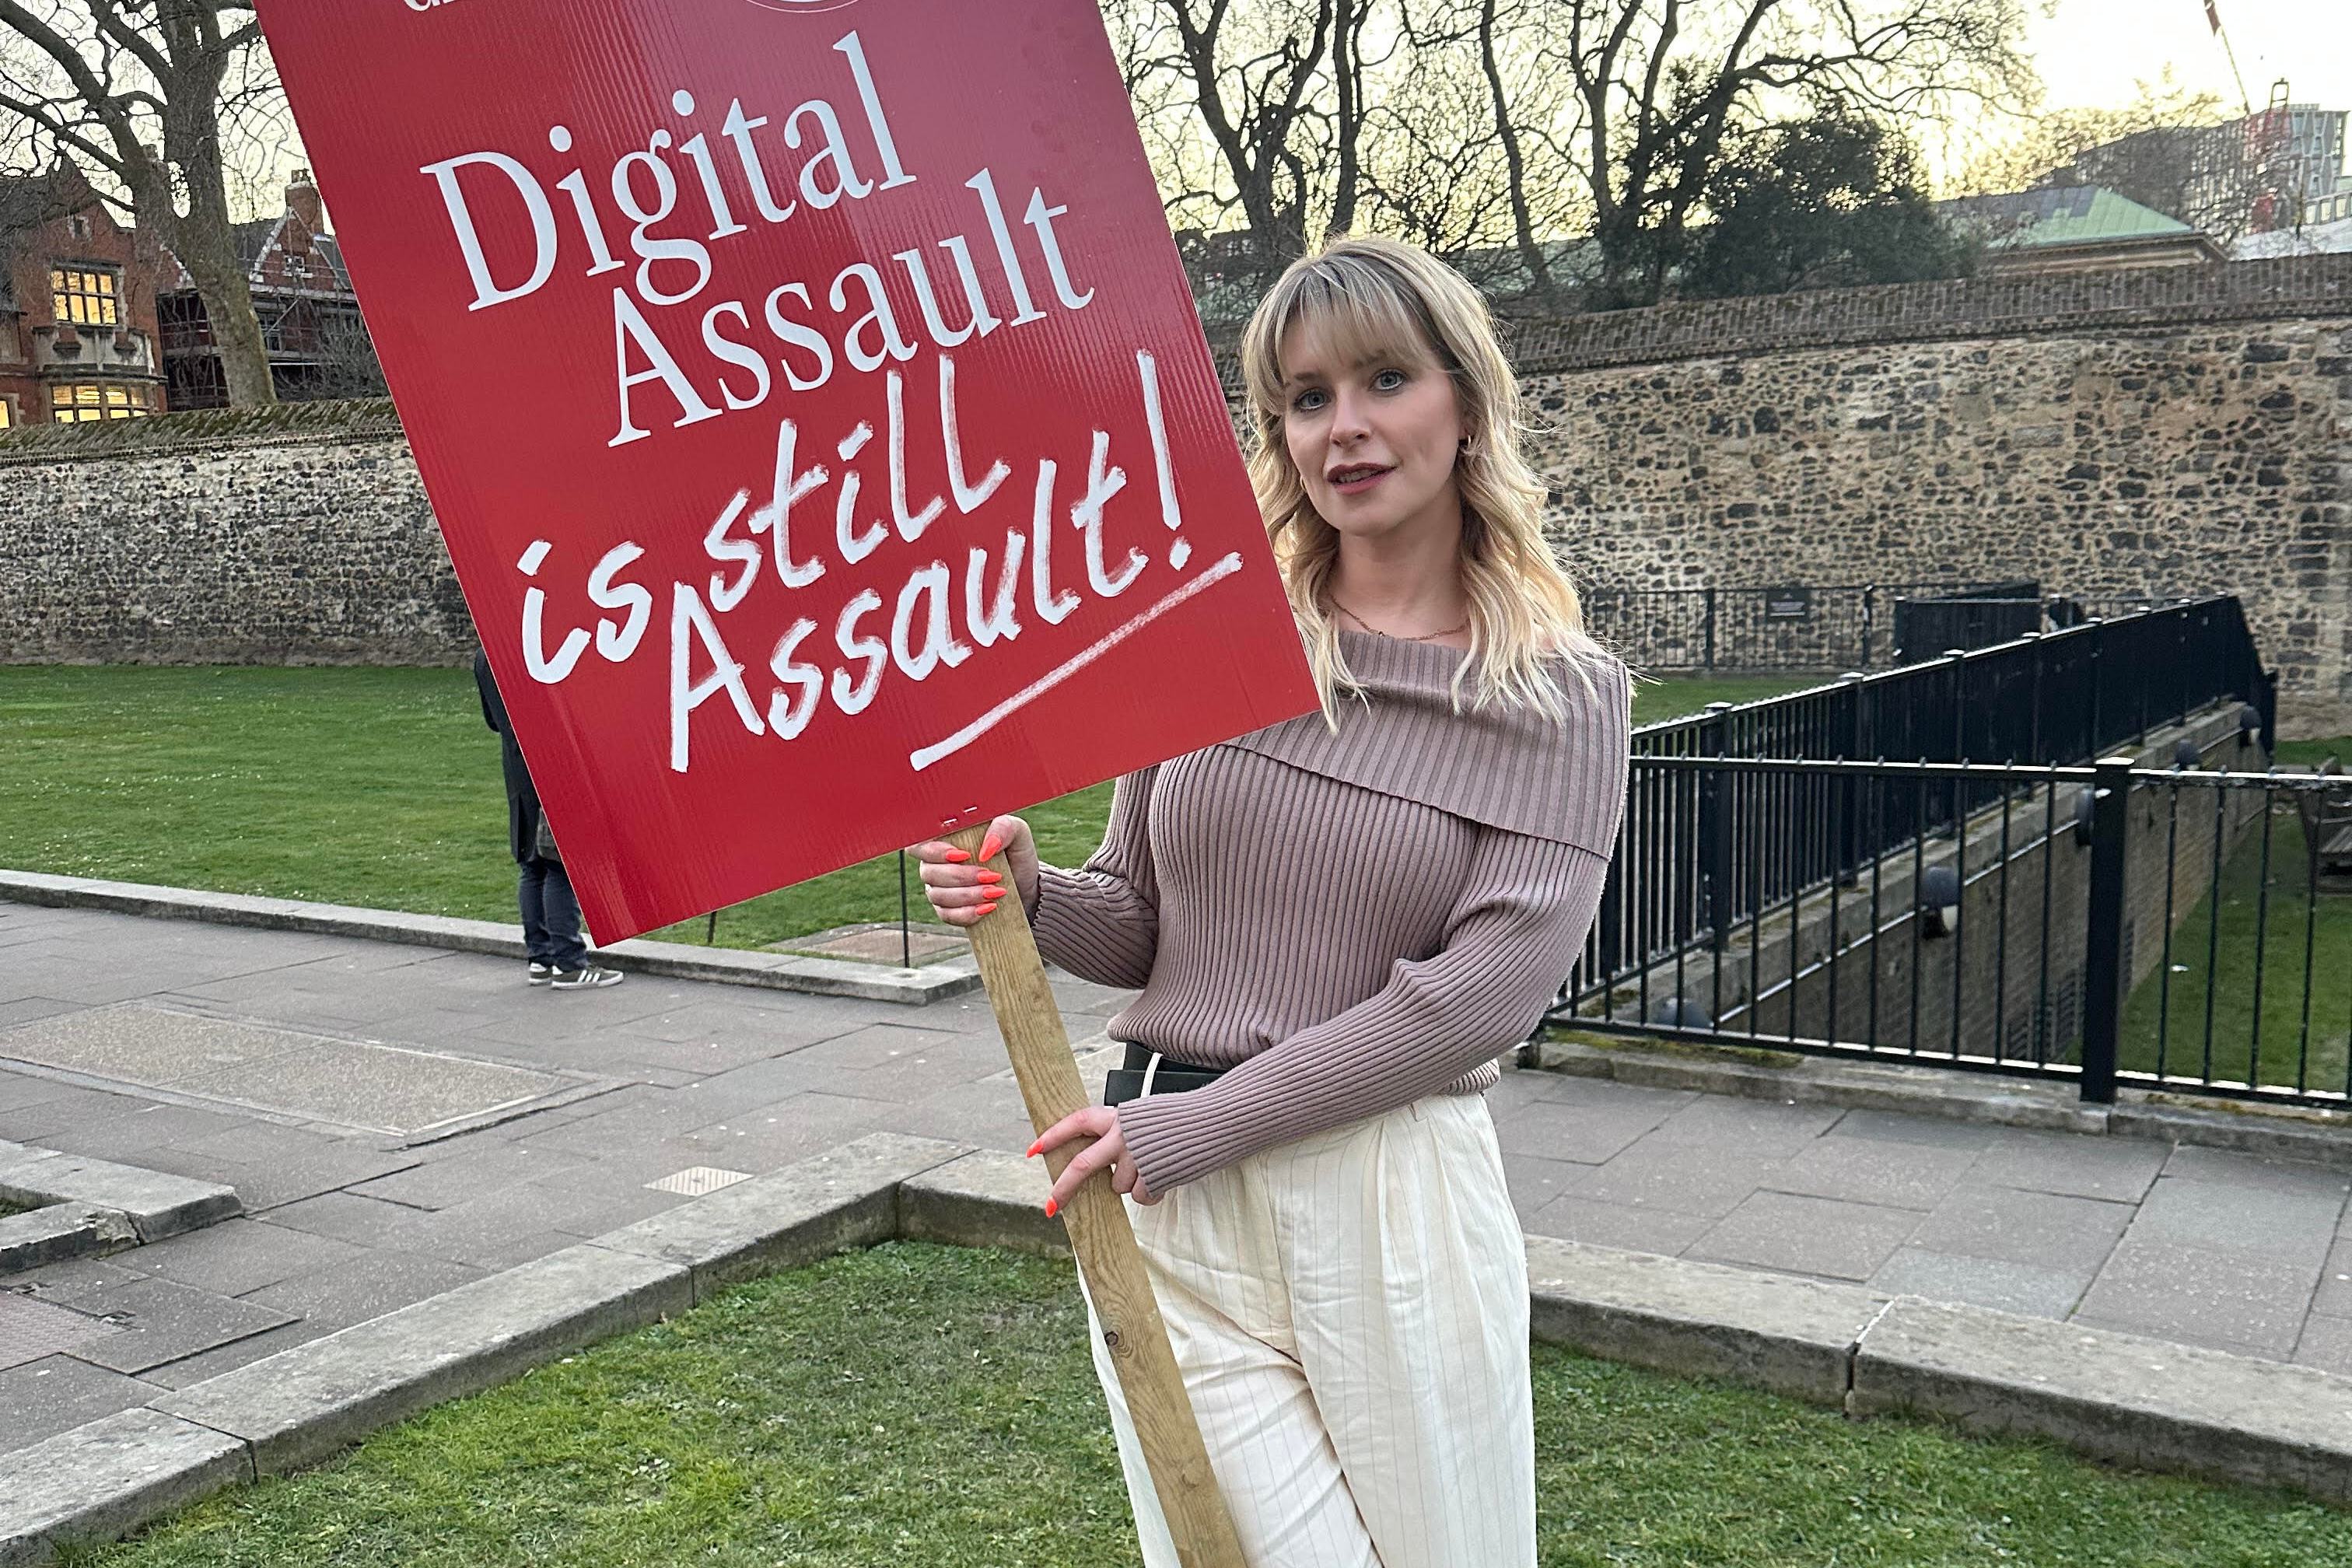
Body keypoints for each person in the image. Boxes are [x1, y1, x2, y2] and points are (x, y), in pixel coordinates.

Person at [912, 236, 1631, 1568]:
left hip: (1382, 1195)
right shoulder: (1211, 645)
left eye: (1382, 379)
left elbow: (1478, 999)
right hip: (1165, 1196)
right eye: (1304, 397)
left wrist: (1198, 1126)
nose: (1343, 427)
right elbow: (1137, 916)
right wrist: (1027, 891)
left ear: (1463, 403)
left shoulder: (1555, 693)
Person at [473, 649, 623, 991]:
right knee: (558, 863)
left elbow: (494, 720)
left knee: (532, 862)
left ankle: (540, 958)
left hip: (517, 766)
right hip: (550, 764)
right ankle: (568, 961)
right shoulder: (531, 642)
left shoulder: (486, 655)